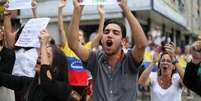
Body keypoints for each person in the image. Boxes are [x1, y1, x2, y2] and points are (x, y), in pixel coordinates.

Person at [67, 0, 147, 100]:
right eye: (106, 32)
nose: (109, 35)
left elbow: (142, 45)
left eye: (115, 33)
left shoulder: (130, 60)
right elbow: (73, 45)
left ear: (123, 41)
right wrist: (77, 10)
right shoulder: (95, 59)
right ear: (102, 38)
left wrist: (125, 9)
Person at [0, 30, 78, 101]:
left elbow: (47, 83)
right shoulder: (28, 83)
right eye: (41, 53)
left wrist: (43, 44)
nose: (40, 56)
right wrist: (2, 47)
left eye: (47, 55)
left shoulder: (64, 88)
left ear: (55, 67)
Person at [58, 0, 104, 100]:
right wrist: (60, 10)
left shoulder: (87, 48)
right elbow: (61, 30)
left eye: (80, 35)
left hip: (85, 86)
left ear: (83, 38)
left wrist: (102, 15)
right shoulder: (67, 47)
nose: (78, 36)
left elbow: (100, 35)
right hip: (70, 86)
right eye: (76, 34)